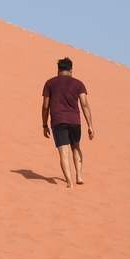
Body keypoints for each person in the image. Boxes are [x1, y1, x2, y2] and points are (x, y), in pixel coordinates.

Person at [41, 57, 95, 188]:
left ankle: (70, 182)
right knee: (76, 147)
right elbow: (84, 104)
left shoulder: (49, 83)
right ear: (71, 71)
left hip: (58, 121)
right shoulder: (78, 84)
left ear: (58, 70)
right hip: (75, 121)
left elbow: (45, 106)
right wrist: (90, 125)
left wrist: (44, 125)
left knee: (64, 152)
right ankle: (79, 176)